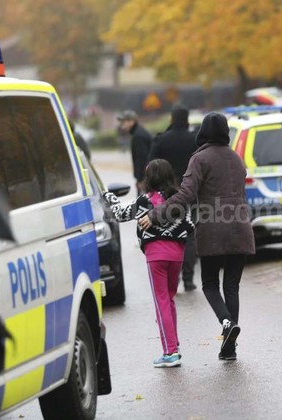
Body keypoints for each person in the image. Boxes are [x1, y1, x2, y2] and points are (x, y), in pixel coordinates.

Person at [139, 112, 255, 361]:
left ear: (203, 132)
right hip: (240, 229)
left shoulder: (200, 159)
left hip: (213, 232)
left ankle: (226, 323)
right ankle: (230, 347)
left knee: (210, 284)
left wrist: (156, 214)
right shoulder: (237, 159)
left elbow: (185, 196)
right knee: (231, 286)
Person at [103, 159, 194, 368]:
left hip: (156, 256)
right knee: (169, 299)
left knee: (161, 301)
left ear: (149, 179)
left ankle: (170, 352)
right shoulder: (178, 200)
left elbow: (119, 214)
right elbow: (190, 224)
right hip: (177, 255)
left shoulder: (144, 201)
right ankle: (173, 345)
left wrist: (109, 196)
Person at [148, 104, 199, 292]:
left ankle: (173, 279)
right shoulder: (195, 140)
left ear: (171, 119)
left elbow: (151, 166)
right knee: (190, 235)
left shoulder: (161, 140)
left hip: (166, 196)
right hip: (190, 193)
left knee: (168, 234)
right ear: (187, 120)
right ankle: (188, 279)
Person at [117, 109, 152, 195]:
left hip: (146, 180)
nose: (122, 126)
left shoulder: (138, 136)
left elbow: (142, 159)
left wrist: (141, 180)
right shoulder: (138, 133)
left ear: (131, 121)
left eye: (124, 122)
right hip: (147, 178)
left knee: (144, 201)